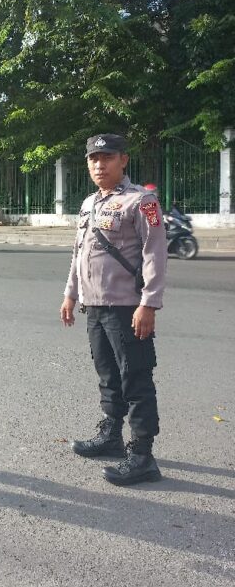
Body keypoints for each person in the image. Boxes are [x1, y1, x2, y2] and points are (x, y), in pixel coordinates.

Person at [60, 134, 167, 486]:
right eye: (93, 158)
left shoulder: (142, 201)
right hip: (95, 306)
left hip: (126, 308)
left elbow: (155, 254)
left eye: (106, 157)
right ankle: (112, 437)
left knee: (135, 378)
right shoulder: (89, 203)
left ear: (124, 160)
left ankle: (143, 455)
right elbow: (80, 255)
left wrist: (148, 303)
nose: (98, 164)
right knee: (108, 377)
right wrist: (70, 295)